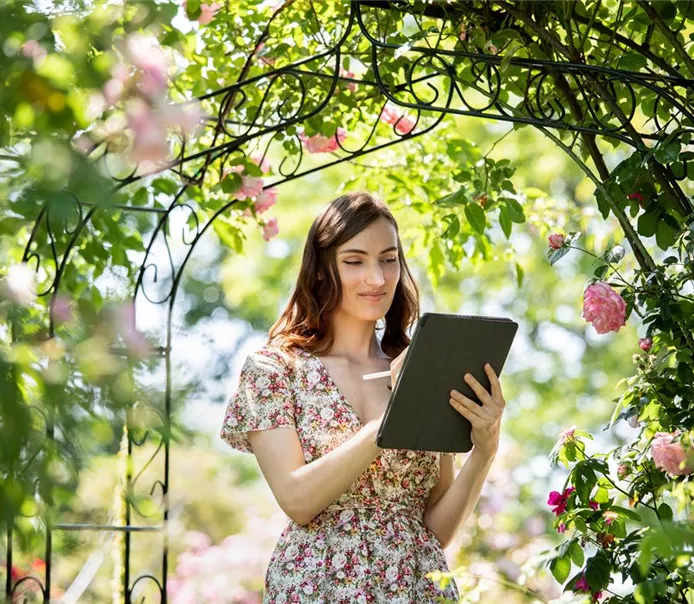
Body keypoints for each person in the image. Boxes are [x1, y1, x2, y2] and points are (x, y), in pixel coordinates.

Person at [220, 191, 507, 603]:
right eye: (354, 261)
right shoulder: (274, 369)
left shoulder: (421, 365)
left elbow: (434, 530)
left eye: (388, 259)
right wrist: (389, 420)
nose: (376, 278)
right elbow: (297, 500)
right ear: (321, 271)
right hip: (317, 585)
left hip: (416, 588)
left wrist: (484, 449)